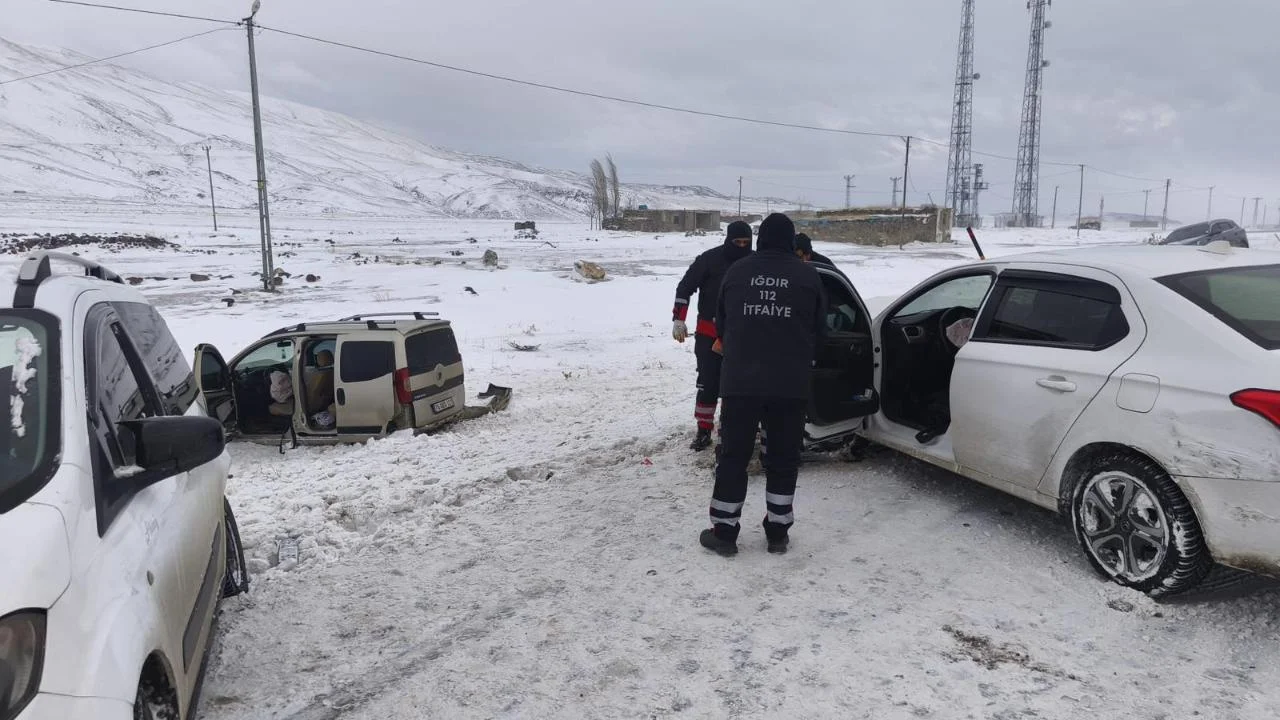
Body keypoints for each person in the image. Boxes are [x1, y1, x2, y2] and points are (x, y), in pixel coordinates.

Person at [701, 213, 826, 556]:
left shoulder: (737, 272)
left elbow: (722, 324)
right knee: (783, 458)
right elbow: (821, 329)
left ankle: (724, 532)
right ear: (790, 240)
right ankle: (778, 532)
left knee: (733, 456)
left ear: (760, 239)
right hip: (790, 385)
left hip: (741, 383)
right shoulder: (808, 275)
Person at [672, 220, 753, 451]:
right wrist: (679, 319)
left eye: (746, 242)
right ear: (728, 240)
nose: (741, 246)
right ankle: (704, 429)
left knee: (737, 385)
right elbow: (685, 287)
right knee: (708, 383)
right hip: (709, 333)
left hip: (743, 335)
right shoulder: (709, 260)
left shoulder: (755, 262)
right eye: (737, 242)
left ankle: (730, 427)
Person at [304, 349, 337, 429]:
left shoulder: (319, 376)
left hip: (316, 407)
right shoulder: (334, 372)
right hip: (326, 403)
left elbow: (312, 396)